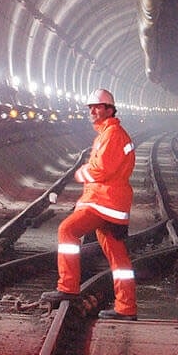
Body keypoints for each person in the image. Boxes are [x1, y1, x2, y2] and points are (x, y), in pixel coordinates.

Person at [43, 88, 138, 319]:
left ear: (110, 109)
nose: (93, 111)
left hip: (103, 202)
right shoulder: (108, 133)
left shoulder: (112, 135)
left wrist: (81, 172)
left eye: (98, 107)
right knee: (118, 258)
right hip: (112, 203)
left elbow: (101, 170)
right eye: (91, 108)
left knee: (67, 230)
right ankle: (126, 308)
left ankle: (67, 287)